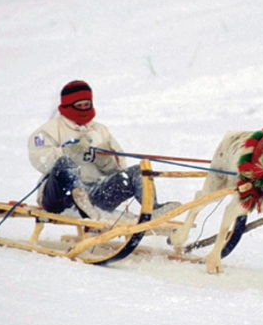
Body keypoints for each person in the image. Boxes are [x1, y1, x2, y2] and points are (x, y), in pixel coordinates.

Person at [28, 80, 178, 220]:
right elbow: (39, 159)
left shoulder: (101, 131)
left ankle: (152, 210)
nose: (84, 109)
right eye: (79, 106)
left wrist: (103, 159)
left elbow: (118, 169)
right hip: (60, 198)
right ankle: (79, 198)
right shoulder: (49, 130)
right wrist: (67, 152)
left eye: (87, 105)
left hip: (95, 196)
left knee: (137, 172)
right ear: (67, 106)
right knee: (64, 163)